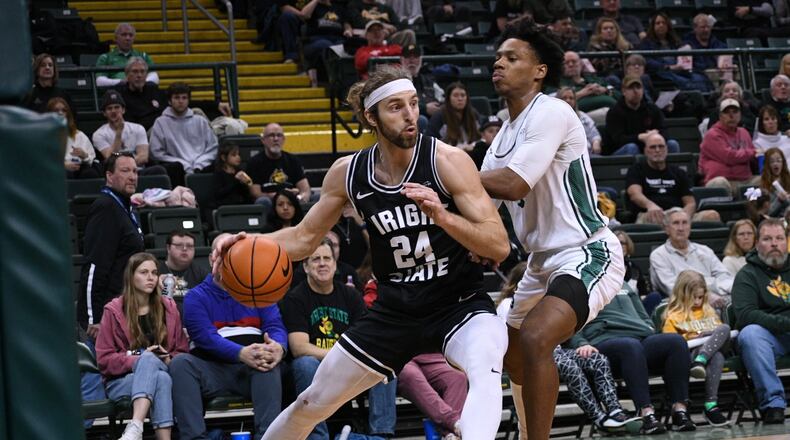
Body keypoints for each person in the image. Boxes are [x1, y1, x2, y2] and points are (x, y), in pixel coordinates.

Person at [214, 64, 511, 439]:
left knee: (485, 367)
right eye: (395, 107)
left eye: (414, 103)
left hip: (457, 302)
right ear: (371, 116)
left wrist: (442, 215)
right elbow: (305, 237)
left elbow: (498, 244)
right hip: (393, 312)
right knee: (311, 402)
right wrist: (244, 244)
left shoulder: (446, 161)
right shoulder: (348, 173)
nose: (409, 116)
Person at [478, 18, 625, 439]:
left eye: (512, 57)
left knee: (538, 337)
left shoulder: (553, 112)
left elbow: (513, 184)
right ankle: (528, 433)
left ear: (539, 70)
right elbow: (482, 206)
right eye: (497, 58)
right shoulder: (501, 139)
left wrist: (445, 171)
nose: (498, 64)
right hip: (540, 263)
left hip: (587, 250)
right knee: (512, 353)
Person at [170, 234, 287, 439]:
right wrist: (241, 352)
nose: (232, 262)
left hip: (253, 368)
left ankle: (268, 437)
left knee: (268, 363)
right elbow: (205, 337)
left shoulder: (260, 288)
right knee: (180, 364)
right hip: (213, 369)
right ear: (212, 259)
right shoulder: (196, 296)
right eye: (225, 256)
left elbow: (275, 325)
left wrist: (278, 346)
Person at [279, 239, 395, 439]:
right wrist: (339, 355)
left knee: (382, 363)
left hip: (347, 366)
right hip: (316, 369)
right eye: (315, 259)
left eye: (327, 258)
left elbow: (366, 338)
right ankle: (318, 435)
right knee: (304, 363)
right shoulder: (295, 298)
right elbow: (299, 347)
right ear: (305, 267)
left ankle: (381, 434)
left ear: (335, 264)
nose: (322, 263)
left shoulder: (350, 295)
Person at [568, 278, 696, 433]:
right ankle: (646, 413)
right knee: (630, 346)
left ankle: (679, 411)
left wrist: (648, 327)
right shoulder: (577, 285)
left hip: (639, 337)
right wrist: (581, 343)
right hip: (605, 339)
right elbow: (569, 322)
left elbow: (644, 316)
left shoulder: (622, 283)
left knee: (676, 341)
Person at [95, 252, 188, 440]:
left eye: (154, 273)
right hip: (122, 381)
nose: (151, 278)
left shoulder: (169, 308)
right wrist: (138, 360)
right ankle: (148, 431)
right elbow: (104, 360)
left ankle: (134, 428)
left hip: (165, 367)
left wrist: (168, 358)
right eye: (144, 272)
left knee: (156, 367)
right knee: (159, 377)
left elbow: (183, 351)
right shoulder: (113, 310)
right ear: (131, 276)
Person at [77, 152, 145, 340]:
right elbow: (94, 266)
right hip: (105, 317)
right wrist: (94, 318)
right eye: (125, 171)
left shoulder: (126, 208)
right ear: (109, 176)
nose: (132, 176)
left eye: (135, 171)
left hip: (125, 309)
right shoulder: (106, 207)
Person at [732, 217, 790, 424]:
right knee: (750, 334)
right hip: (770, 338)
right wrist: (784, 323)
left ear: (786, 242)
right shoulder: (747, 275)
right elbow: (746, 314)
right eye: (767, 238)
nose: (774, 243)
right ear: (757, 244)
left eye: (779, 238)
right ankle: (773, 404)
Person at [662, 270, 732, 426]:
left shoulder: (709, 311)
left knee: (725, 328)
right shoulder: (673, 315)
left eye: (701, 297)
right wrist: (692, 337)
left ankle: (702, 360)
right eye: (693, 297)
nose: (698, 301)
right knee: (718, 357)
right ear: (682, 294)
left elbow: (720, 334)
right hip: (690, 353)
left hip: (709, 351)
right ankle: (711, 406)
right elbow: (670, 343)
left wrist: (706, 336)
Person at [625, 132, 719, 224]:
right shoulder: (637, 170)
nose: (657, 150)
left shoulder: (679, 172)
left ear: (666, 149)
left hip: (677, 213)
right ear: (645, 150)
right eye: (653, 147)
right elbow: (634, 194)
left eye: (661, 146)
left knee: (712, 216)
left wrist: (682, 216)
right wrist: (650, 205)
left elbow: (690, 203)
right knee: (654, 217)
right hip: (651, 214)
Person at [649, 208, 733, 303]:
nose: (681, 228)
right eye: (676, 223)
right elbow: (672, 288)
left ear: (690, 227)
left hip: (718, 299)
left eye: (684, 223)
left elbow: (725, 276)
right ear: (667, 229)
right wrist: (707, 293)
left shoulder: (705, 250)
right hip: (682, 306)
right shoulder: (659, 255)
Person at [149, 82, 219, 186]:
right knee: (173, 168)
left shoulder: (200, 121)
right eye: (177, 98)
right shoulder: (160, 122)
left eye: (184, 98)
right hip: (176, 168)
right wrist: (182, 163)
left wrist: (200, 163)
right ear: (169, 101)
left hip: (202, 165)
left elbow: (213, 147)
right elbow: (156, 152)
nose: (181, 101)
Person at [91, 90, 165, 176]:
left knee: (159, 170)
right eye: (109, 108)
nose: (114, 111)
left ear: (123, 110)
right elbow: (110, 159)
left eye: (117, 107)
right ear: (104, 113)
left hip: (138, 171)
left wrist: (126, 165)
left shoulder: (138, 128)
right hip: (116, 174)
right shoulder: (99, 134)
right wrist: (118, 134)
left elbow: (143, 157)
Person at [604, 75, 679, 155]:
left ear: (643, 90)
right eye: (631, 88)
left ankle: (670, 167)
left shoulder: (652, 109)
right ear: (623, 91)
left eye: (638, 87)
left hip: (649, 147)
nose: (635, 91)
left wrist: (655, 135)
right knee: (632, 147)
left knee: (672, 144)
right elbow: (618, 140)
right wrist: (640, 137)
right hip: (621, 152)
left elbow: (665, 131)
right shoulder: (614, 112)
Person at [247, 123, 313, 213]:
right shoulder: (254, 162)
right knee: (262, 201)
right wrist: (281, 196)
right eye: (271, 135)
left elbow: (305, 189)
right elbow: (256, 193)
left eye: (279, 135)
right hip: (270, 201)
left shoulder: (293, 160)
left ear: (284, 139)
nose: (276, 139)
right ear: (263, 140)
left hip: (291, 201)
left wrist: (301, 196)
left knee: (317, 197)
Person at [638, 12, 711, 92]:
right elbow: (648, 61)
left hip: (680, 71)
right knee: (686, 83)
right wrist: (668, 67)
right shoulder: (646, 43)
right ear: (653, 26)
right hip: (663, 73)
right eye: (658, 23)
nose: (661, 25)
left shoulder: (675, 41)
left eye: (664, 23)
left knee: (700, 78)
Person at [699, 98, 758, 191]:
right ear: (720, 116)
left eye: (735, 112)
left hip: (745, 183)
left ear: (740, 115)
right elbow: (729, 157)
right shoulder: (712, 134)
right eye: (727, 112)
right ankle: (727, 205)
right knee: (719, 183)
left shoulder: (744, 132)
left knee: (763, 181)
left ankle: (753, 203)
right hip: (722, 182)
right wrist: (752, 152)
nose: (731, 116)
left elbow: (754, 158)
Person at [558, 51, 617, 124]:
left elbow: (619, 94)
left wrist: (605, 90)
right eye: (567, 62)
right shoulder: (558, 83)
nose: (571, 64)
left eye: (574, 61)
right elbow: (557, 100)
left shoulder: (593, 79)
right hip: (582, 116)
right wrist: (584, 92)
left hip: (612, 109)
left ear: (580, 64)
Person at [47, 97, 100, 179]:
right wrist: (63, 165)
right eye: (56, 111)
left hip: (79, 169)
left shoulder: (79, 135)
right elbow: (42, 161)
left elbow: (91, 159)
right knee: (67, 174)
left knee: (90, 173)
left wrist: (84, 155)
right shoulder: (45, 136)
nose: (60, 113)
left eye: (64, 110)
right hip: (56, 170)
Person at [613, 230, 662, 314]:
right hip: (615, 308)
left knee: (654, 297)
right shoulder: (604, 268)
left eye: (622, 243)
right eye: (616, 243)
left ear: (628, 246)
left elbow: (643, 294)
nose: (619, 246)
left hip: (635, 308)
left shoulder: (635, 269)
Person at [96, 23, 158, 87]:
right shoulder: (105, 58)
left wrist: (140, 83)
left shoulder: (143, 56)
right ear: (116, 38)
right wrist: (122, 82)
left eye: (131, 35)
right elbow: (99, 81)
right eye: (124, 35)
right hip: (117, 92)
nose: (128, 38)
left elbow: (155, 77)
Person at [426, 82, 482, 151]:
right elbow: (430, 143)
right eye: (455, 95)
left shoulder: (474, 114)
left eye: (463, 95)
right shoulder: (439, 116)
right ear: (449, 98)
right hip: (447, 155)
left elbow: (481, 138)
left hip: (472, 153)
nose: (460, 99)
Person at [399, 44, 443, 121]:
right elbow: (399, 105)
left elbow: (443, 98)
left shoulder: (429, 81)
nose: (411, 60)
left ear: (420, 60)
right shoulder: (396, 82)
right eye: (408, 57)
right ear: (401, 60)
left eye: (415, 57)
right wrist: (424, 108)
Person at [347, 0, 417, 47]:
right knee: (374, 32)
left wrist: (388, 31)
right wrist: (382, 26)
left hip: (387, 39)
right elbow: (358, 22)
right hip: (366, 39)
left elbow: (397, 25)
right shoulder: (354, 5)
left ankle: (405, 64)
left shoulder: (385, 7)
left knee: (409, 34)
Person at [682, 14, 729, 83]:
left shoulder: (718, 43)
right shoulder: (687, 45)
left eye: (708, 27)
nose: (706, 30)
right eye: (703, 27)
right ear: (695, 28)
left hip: (719, 76)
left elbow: (726, 58)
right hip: (699, 77)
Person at [556, 87, 602, 155]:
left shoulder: (582, 116)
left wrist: (596, 142)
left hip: (588, 154)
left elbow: (594, 134)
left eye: (571, 98)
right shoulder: (553, 118)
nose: (568, 100)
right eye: (564, 98)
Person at [213, 142, 255, 208]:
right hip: (225, 205)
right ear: (224, 157)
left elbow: (246, 194)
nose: (238, 157)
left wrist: (245, 184)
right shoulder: (219, 173)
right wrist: (236, 181)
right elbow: (219, 194)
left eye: (238, 154)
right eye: (234, 155)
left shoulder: (240, 172)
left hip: (241, 204)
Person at [759, 147, 790, 217]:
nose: (775, 164)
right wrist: (779, 201)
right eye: (772, 161)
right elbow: (767, 213)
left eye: (778, 161)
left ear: (783, 163)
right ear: (767, 165)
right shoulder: (763, 185)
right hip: (775, 221)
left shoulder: (788, 179)